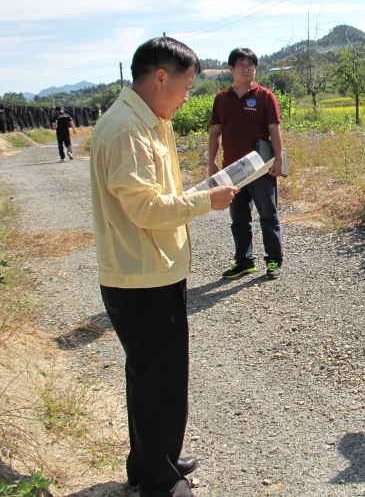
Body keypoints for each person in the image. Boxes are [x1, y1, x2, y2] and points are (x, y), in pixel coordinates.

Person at [90, 37, 238, 497]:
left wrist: (197, 193)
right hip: (141, 276)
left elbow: (155, 193)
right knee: (159, 379)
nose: (188, 96)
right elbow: (145, 208)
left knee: (154, 373)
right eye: (186, 86)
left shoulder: (149, 122)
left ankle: (155, 458)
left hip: (154, 269)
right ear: (159, 78)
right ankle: (159, 481)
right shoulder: (127, 129)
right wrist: (202, 202)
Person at [208, 48, 285, 280]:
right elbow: (214, 133)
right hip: (232, 170)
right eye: (241, 65)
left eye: (250, 65)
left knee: (268, 215)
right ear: (230, 69)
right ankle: (244, 262)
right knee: (239, 218)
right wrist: (211, 162)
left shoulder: (265, 96)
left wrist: (279, 159)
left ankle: (273, 261)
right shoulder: (221, 98)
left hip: (261, 167)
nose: (246, 69)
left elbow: (274, 129)